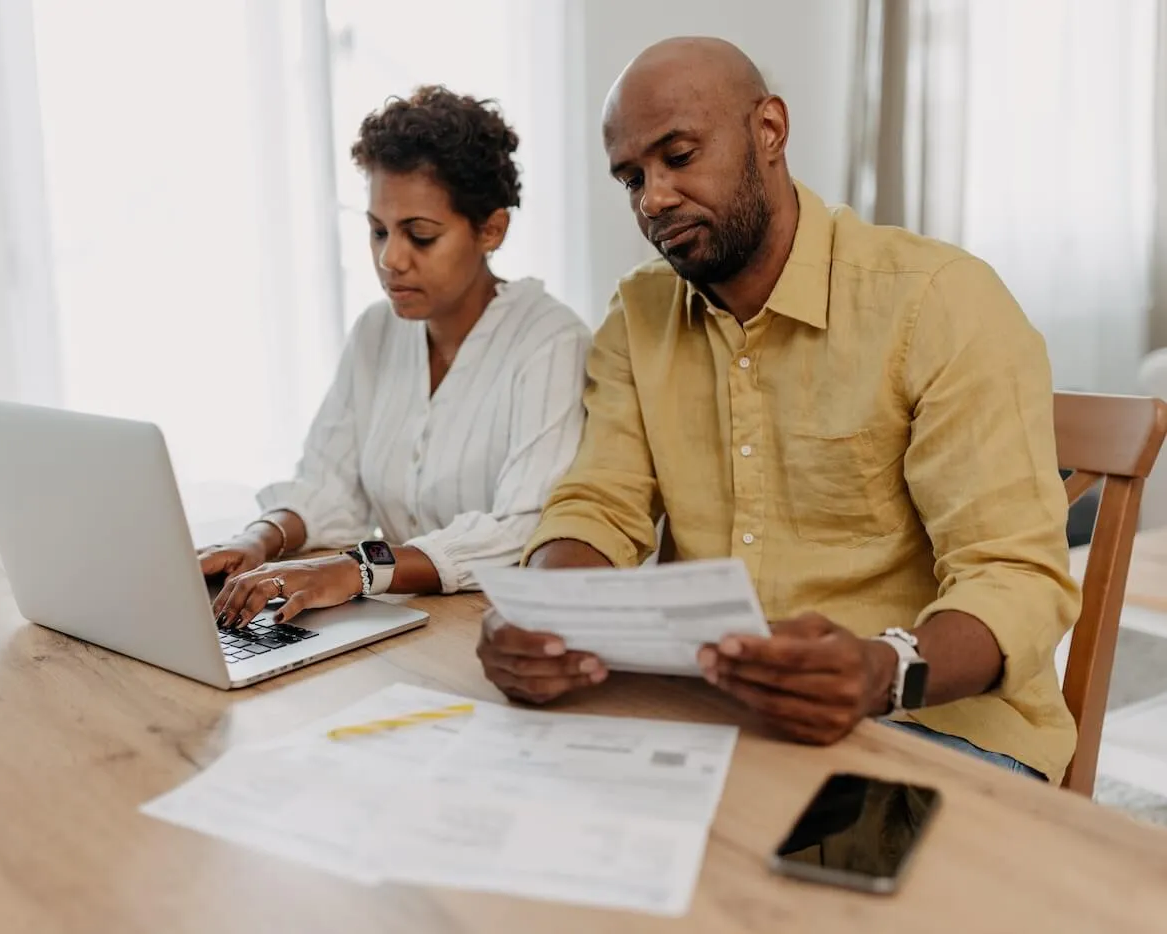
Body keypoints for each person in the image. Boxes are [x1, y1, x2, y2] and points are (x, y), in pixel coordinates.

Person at [476, 38, 1080, 783]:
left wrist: (882, 669)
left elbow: (1015, 577)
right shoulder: (638, 315)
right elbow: (599, 503)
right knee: (531, 838)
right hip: (719, 720)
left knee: (807, 894)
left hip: (934, 731)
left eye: (680, 155)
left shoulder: (937, 302)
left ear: (769, 131)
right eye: (631, 177)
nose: (654, 198)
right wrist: (543, 615)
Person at [202, 86, 591, 628]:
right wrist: (258, 539)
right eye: (378, 231)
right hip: (402, 626)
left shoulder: (551, 341)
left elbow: (521, 529)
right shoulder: (375, 332)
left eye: (421, 235)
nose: (390, 259)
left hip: (504, 632)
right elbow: (327, 485)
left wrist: (358, 569)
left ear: (491, 229)